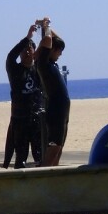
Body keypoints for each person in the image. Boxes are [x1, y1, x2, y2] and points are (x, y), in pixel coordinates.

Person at [3, 23, 45, 168]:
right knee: (21, 156)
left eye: (30, 49)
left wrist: (45, 29)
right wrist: (27, 38)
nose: (27, 52)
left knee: (39, 154)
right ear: (20, 54)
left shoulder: (39, 69)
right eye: (24, 50)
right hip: (20, 120)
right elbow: (10, 56)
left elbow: (46, 51)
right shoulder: (14, 70)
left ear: (34, 52)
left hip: (37, 119)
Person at [36, 17, 70, 167]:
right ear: (51, 50)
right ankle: (45, 171)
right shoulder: (42, 63)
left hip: (62, 109)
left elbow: (57, 39)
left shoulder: (51, 62)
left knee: (60, 145)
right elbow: (49, 39)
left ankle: (54, 170)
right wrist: (46, 25)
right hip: (55, 108)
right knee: (54, 145)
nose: (60, 54)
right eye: (59, 51)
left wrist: (46, 27)